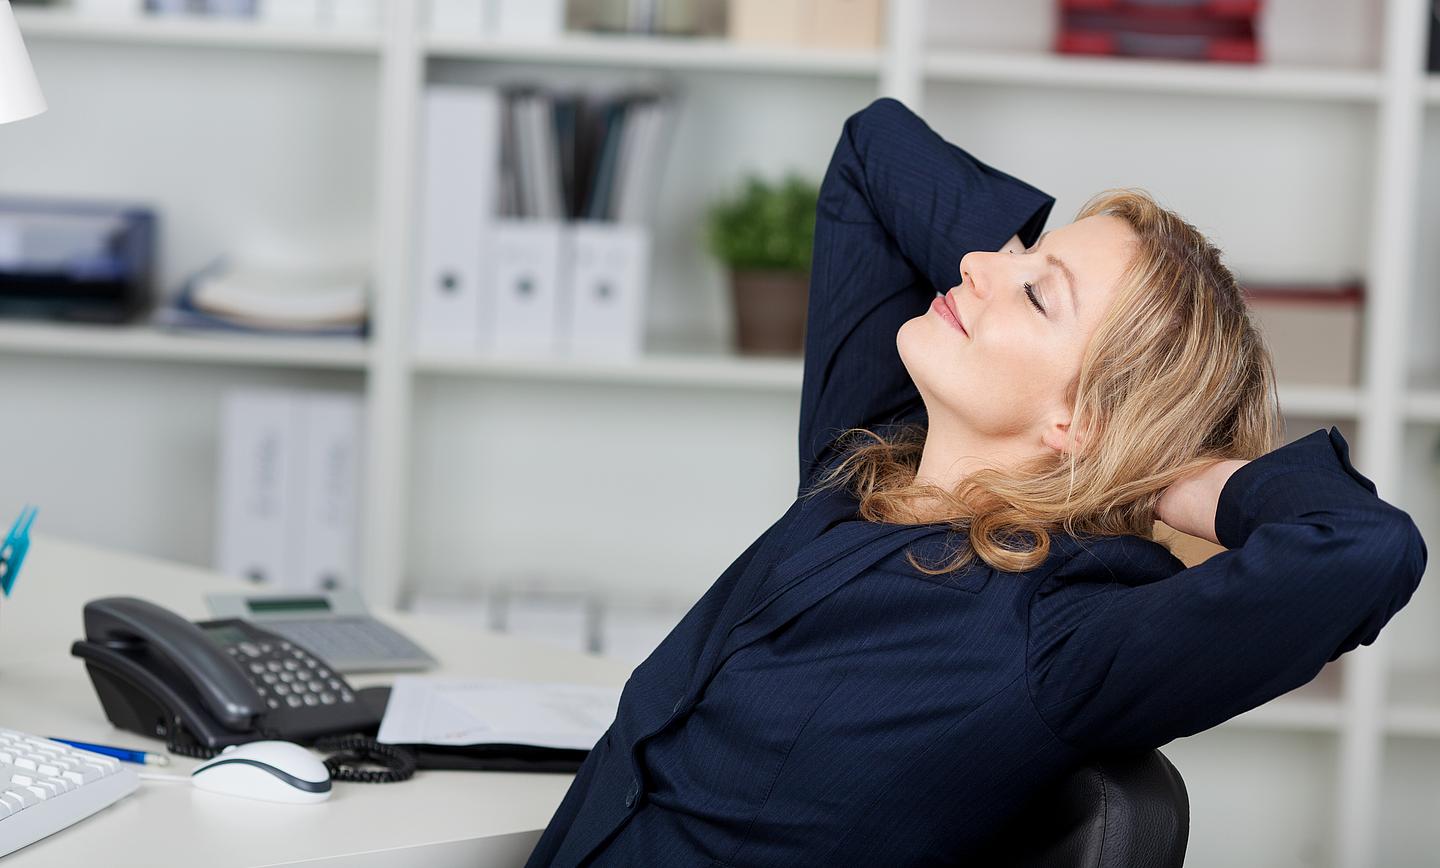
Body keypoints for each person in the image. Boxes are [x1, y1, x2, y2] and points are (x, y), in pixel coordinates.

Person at [523, 97, 1427, 867]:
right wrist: (1032, 281)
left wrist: (1160, 469)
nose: (977, 265)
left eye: (1038, 292)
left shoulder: (1064, 630)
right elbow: (875, 150)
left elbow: (1365, 549)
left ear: (1084, 420)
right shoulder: (863, 463)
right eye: (1014, 257)